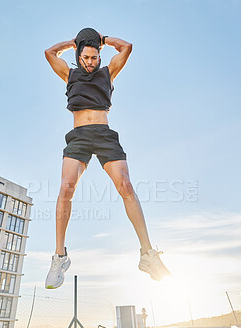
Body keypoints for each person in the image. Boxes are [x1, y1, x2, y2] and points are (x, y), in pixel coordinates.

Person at [44, 29, 171, 289]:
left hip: (104, 134)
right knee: (66, 188)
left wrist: (102, 41)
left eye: (94, 57)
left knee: (125, 184)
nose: (90, 62)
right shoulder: (69, 74)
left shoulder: (108, 72)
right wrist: (74, 43)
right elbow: (49, 53)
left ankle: (147, 255)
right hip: (79, 136)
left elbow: (126, 47)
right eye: (86, 57)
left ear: (99, 57)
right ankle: (59, 257)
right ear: (79, 57)